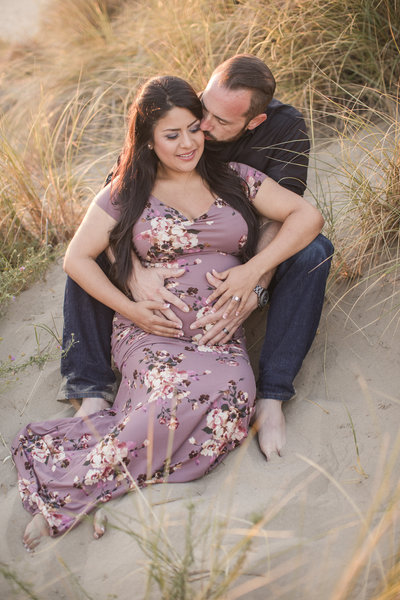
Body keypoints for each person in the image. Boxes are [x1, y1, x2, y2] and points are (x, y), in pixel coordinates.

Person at [12, 75, 324, 551]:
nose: (188, 144)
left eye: (194, 129)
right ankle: (80, 490)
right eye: (171, 135)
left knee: (233, 397)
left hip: (218, 337)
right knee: (175, 397)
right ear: (148, 140)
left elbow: (308, 218)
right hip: (151, 334)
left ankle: (112, 481)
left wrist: (252, 274)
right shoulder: (127, 190)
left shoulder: (234, 176)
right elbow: (76, 258)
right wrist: (131, 308)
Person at [59, 54, 334, 459]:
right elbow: (112, 208)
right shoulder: (177, 112)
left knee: (315, 251)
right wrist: (131, 272)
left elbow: (290, 217)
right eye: (202, 109)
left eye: (215, 123)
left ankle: (272, 395)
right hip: (156, 279)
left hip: (242, 248)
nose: (200, 128)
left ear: (252, 122)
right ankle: (90, 387)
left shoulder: (279, 134)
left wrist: (253, 282)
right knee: (96, 255)